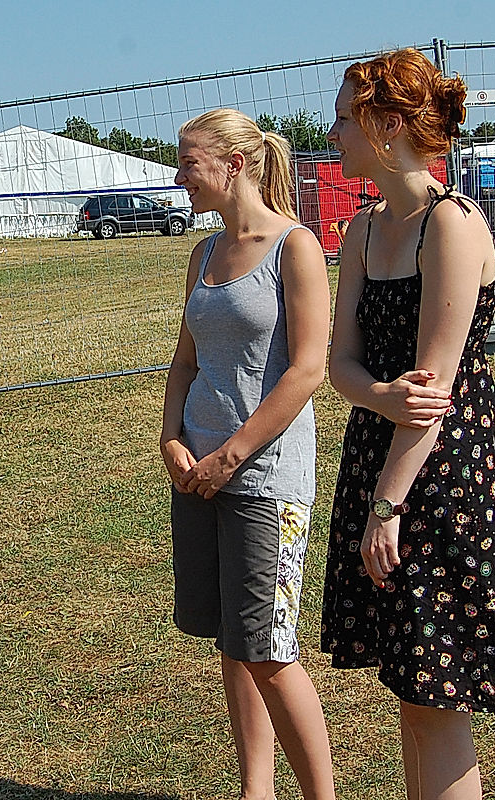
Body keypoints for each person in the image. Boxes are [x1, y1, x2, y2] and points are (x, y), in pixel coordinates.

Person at [321, 49, 495, 800]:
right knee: (413, 694)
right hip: (384, 458)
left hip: (442, 482)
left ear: (385, 127)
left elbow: (435, 392)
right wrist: (380, 397)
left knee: (439, 699)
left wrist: (387, 505)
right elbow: (338, 363)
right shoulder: (363, 229)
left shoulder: (452, 223)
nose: (335, 131)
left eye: (346, 118)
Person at [161, 109, 335, 800]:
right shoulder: (201, 255)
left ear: (233, 164)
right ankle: (254, 790)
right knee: (233, 642)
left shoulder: (295, 246)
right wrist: (172, 439)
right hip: (199, 476)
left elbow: (308, 370)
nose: (179, 177)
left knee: (269, 648)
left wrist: (231, 455)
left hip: (265, 479)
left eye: (189, 162)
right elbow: (185, 360)